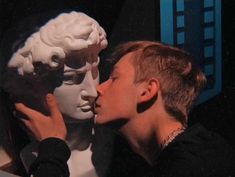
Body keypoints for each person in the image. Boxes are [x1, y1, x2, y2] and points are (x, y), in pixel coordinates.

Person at [15, 41, 234, 177]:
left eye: (114, 78)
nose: (98, 89)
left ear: (147, 91)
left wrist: (51, 146)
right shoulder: (208, 148)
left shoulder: (188, 169)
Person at [2, 11, 110, 177]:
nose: (92, 90)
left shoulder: (113, 141)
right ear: (28, 85)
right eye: (70, 78)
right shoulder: (31, 155)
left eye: (94, 70)